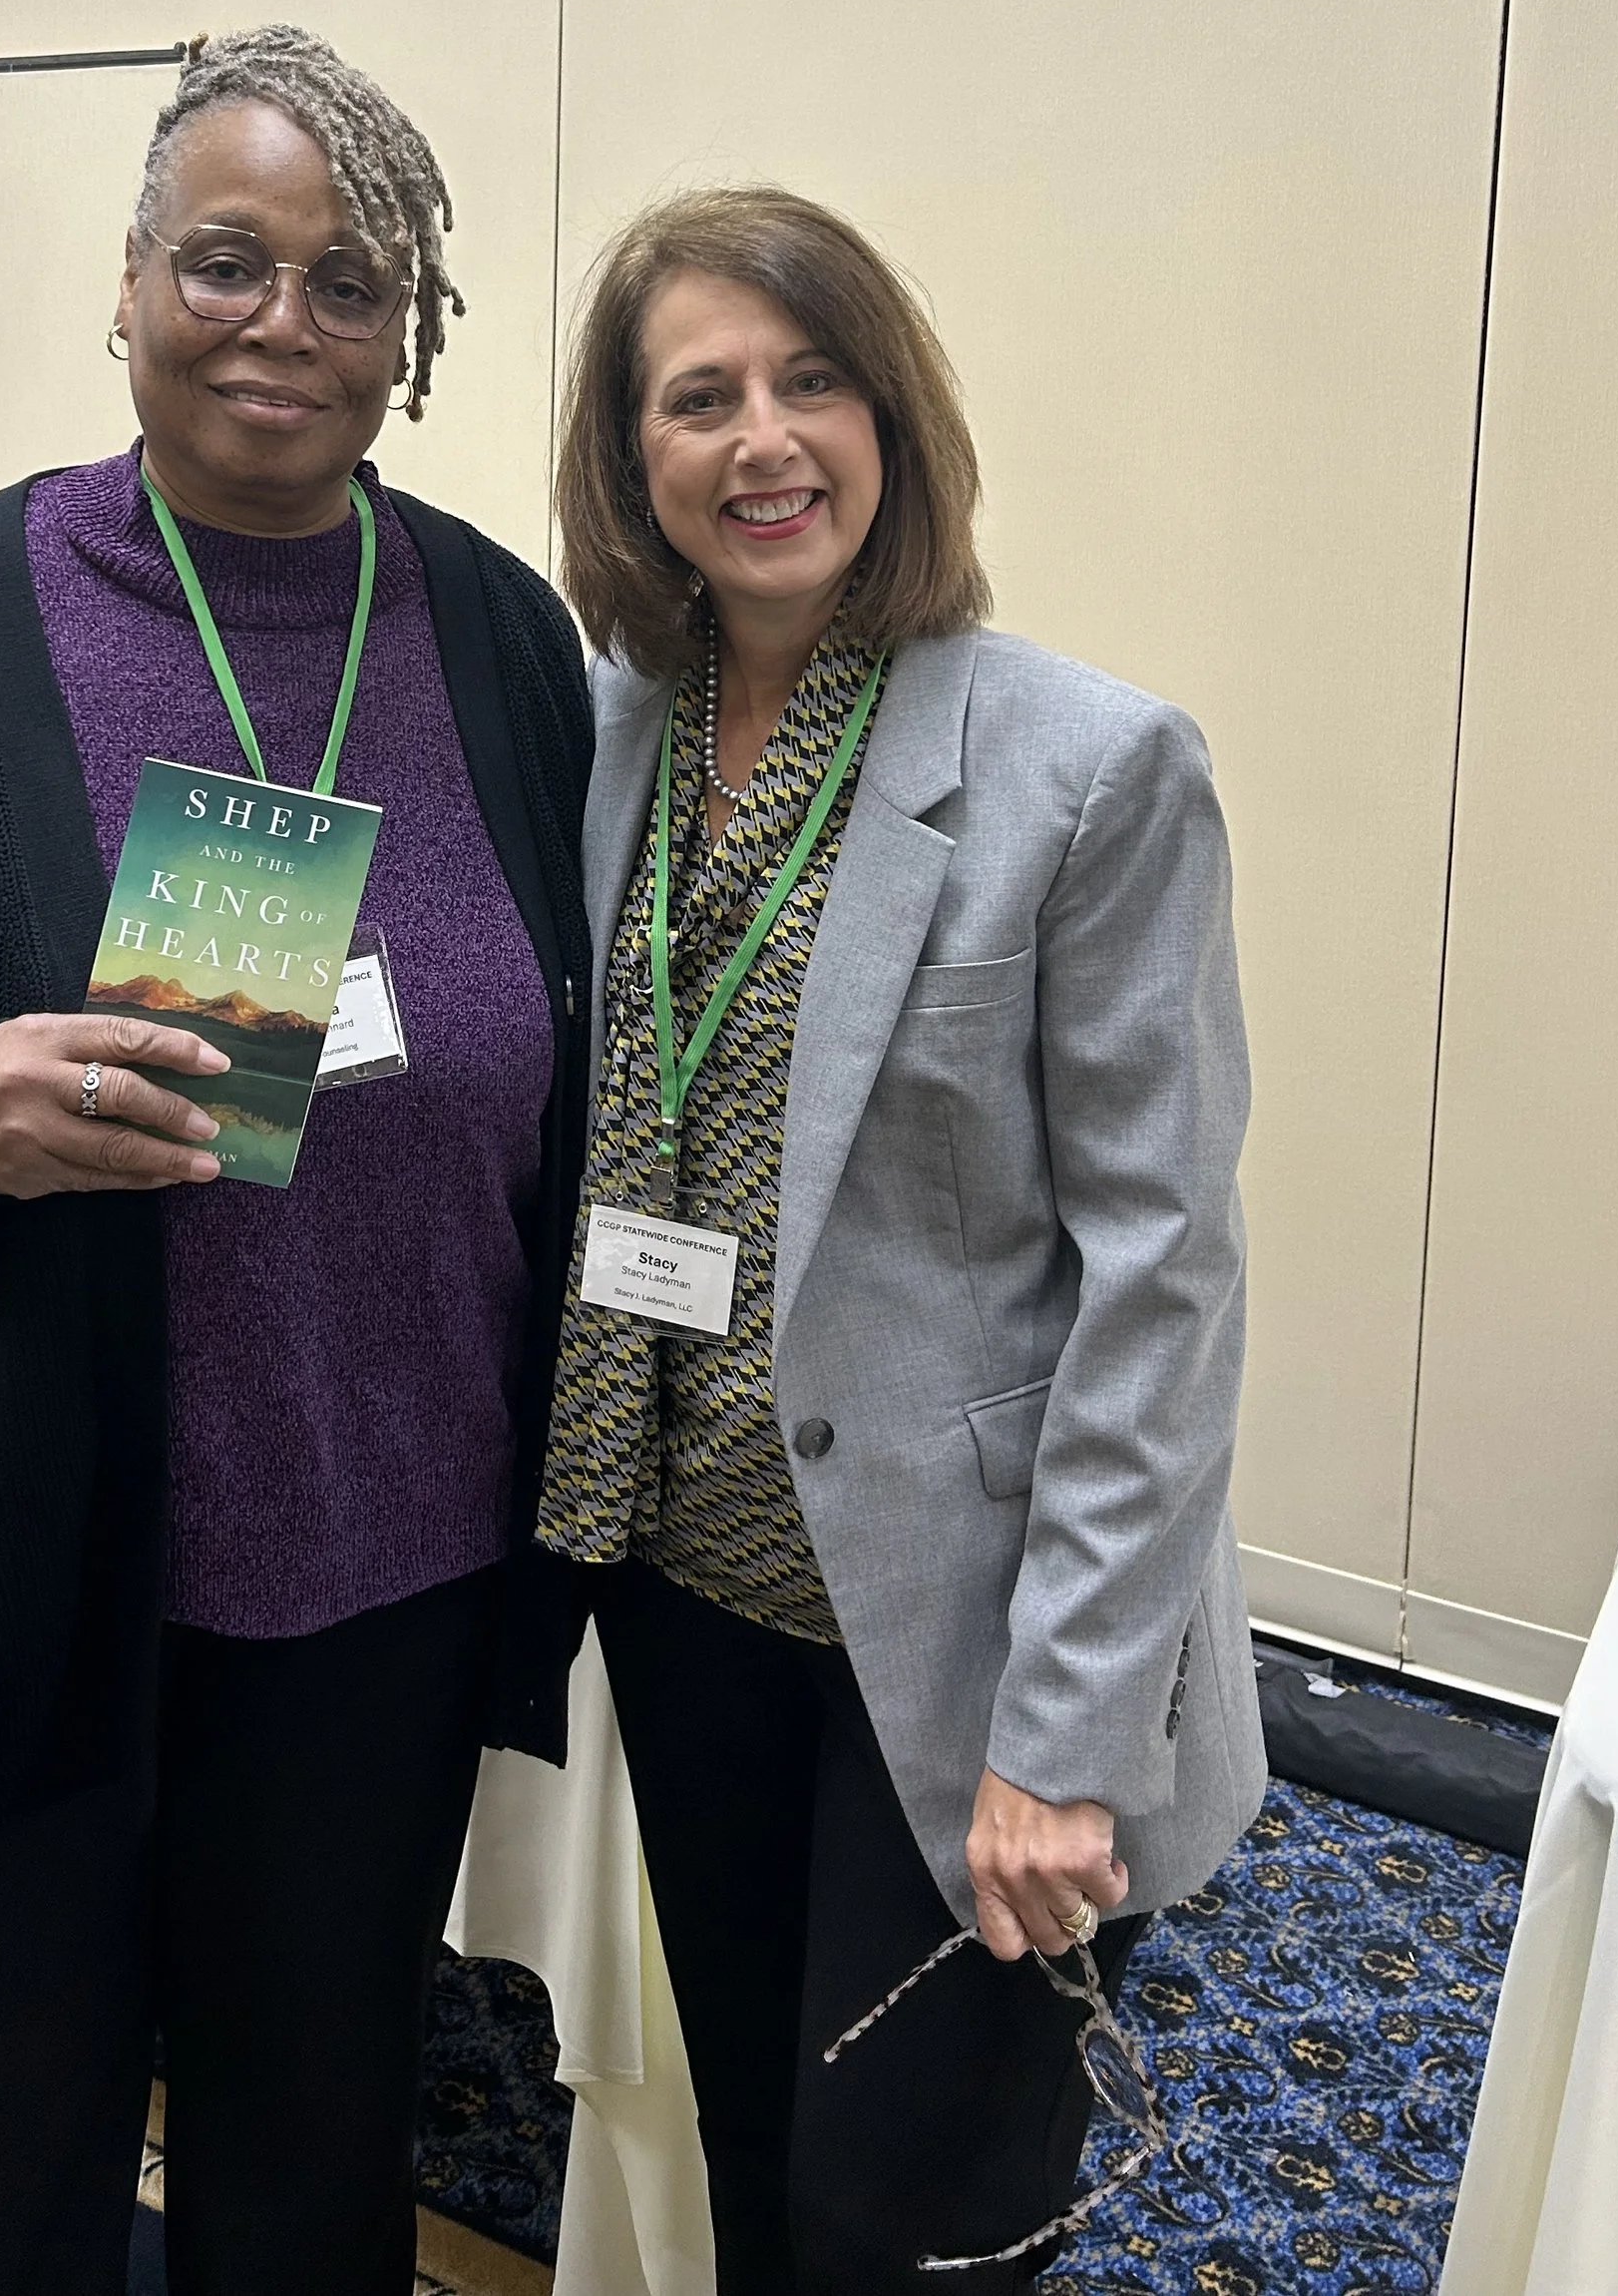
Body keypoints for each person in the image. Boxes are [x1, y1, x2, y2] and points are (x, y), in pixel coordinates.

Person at [0, 30, 594, 2296]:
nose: (282, 321)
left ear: (415, 331)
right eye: (226, 260)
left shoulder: (504, 642)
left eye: (353, 283)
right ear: (131, 281)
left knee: (315, 2156)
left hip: (383, 1594)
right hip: (10, 1564)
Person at [537, 187, 1263, 2291]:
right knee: (757, 2140)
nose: (761, 438)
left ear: (890, 417)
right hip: (684, 1593)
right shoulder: (602, 740)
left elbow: (1163, 1279)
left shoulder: (1085, 767)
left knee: (921, 2216)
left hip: (961, 1638)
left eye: (809, 379)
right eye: (698, 396)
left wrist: (1062, 1732)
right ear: (631, 457)